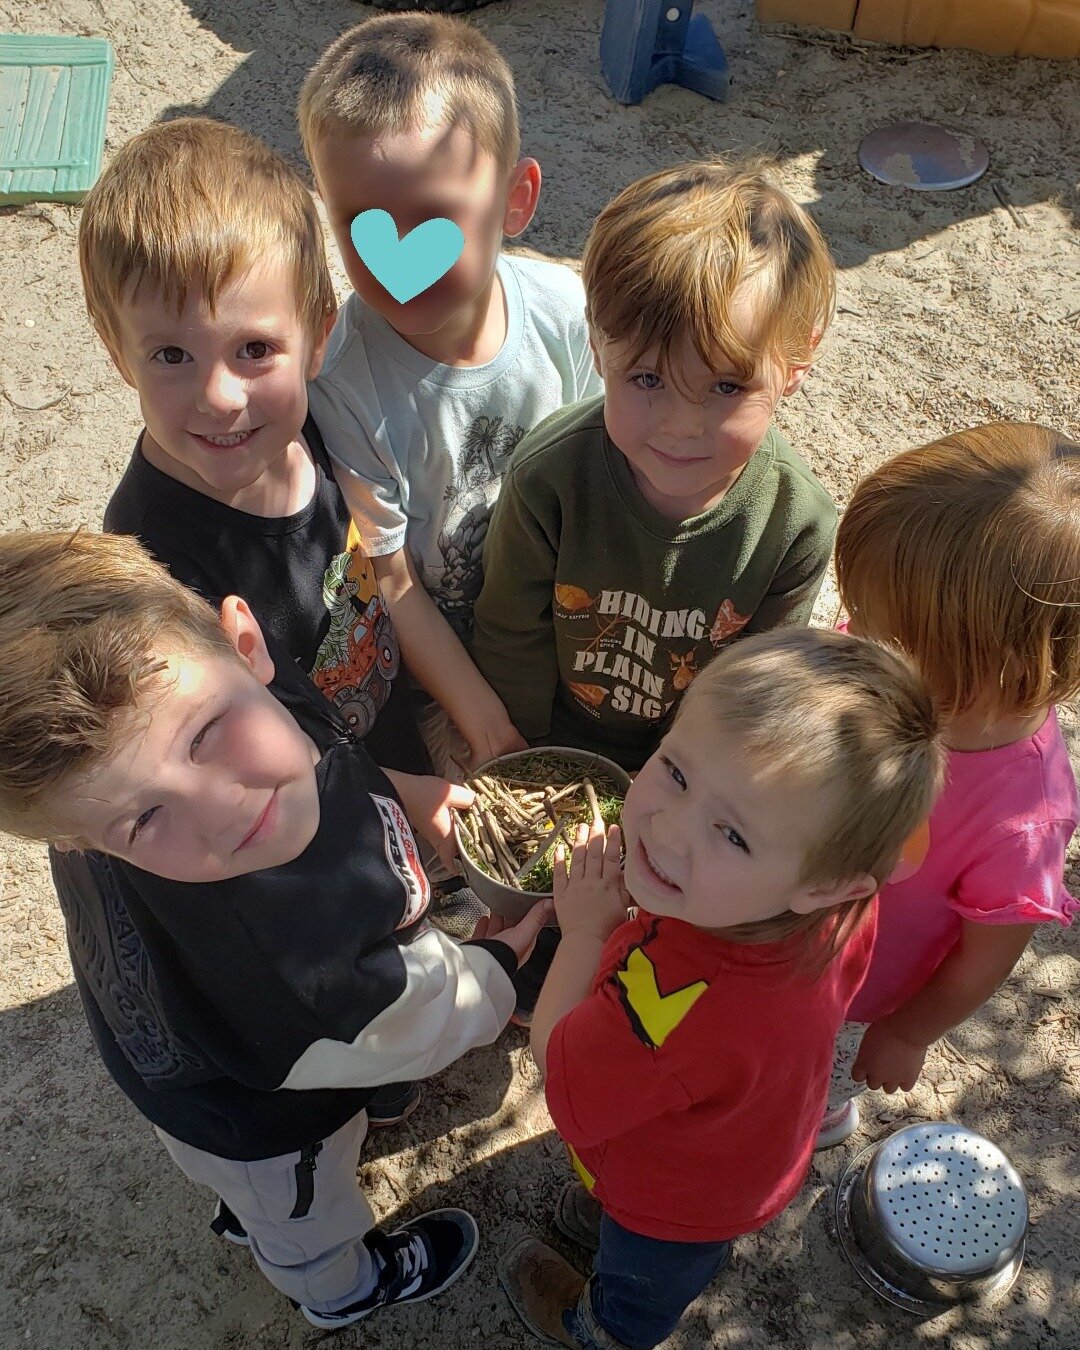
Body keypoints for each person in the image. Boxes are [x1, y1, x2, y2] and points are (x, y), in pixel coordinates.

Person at [0, 529, 551, 1331]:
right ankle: (336, 1287)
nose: (222, 810)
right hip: (253, 1115)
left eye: (205, 734)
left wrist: (406, 786)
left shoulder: (133, 775)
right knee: (299, 1210)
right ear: (80, 840)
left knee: (256, 1184)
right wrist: (495, 968)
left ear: (246, 644)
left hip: (185, 1043)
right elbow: (412, 1020)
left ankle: (247, 1208)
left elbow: (330, 755)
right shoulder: (287, 964)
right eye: (147, 815)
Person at [497, 628, 945, 1349]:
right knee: (647, 1238)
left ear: (823, 882)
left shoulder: (671, 1005)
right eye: (675, 770)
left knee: (641, 1284)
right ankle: (607, 1223)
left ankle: (602, 1329)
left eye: (732, 835)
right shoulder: (840, 903)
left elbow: (561, 1071)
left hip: (673, 1199)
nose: (667, 831)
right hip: (745, 1148)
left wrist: (584, 933)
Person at [299, 13, 602, 773]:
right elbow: (391, 578)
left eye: (437, 222)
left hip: (564, 625)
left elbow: (606, 468)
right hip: (443, 666)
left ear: (515, 200)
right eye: (362, 225)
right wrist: (487, 722)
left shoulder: (564, 312)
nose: (400, 261)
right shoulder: (343, 380)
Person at [83, 116, 427, 780]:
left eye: (255, 350)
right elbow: (234, 753)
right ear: (118, 354)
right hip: (310, 817)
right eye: (172, 354)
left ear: (318, 336)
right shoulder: (152, 554)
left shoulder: (320, 421)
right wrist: (401, 797)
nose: (218, 396)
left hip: (392, 734)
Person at [472, 158, 838, 775]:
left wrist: (676, 781)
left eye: (726, 387)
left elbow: (753, 693)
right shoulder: (548, 480)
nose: (680, 424)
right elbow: (511, 635)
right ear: (598, 347)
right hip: (548, 736)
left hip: (687, 764)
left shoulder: (796, 524)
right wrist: (529, 762)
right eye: (646, 378)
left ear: (795, 364)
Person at [819, 423, 1080, 1146]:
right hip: (786, 917)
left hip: (858, 995)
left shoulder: (1022, 817)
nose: (855, 636)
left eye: (882, 633)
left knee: (818, 1067)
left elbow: (983, 958)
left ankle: (824, 1112)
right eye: (860, 615)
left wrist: (908, 1031)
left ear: (1003, 666)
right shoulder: (891, 657)